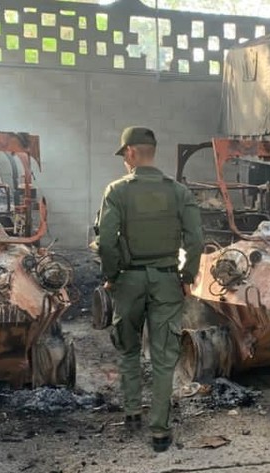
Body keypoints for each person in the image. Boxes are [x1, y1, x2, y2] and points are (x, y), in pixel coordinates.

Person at [96, 127, 203, 452]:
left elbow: (106, 242)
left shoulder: (117, 191)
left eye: (124, 155)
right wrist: (187, 276)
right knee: (163, 357)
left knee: (128, 347)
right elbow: (196, 240)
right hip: (167, 281)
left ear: (130, 152)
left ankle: (132, 413)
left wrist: (111, 276)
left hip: (128, 281)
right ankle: (159, 432)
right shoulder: (178, 192)